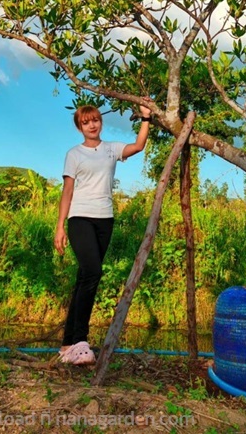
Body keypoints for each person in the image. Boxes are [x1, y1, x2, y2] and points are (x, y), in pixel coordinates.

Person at [54, 101, 151, 365]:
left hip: (104, 219)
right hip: (79, 218)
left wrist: (145, 118)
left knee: (84, 277)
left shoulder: (111, 149)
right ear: (79, 127)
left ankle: (66, 344)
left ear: (101, 122)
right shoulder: (74, 154)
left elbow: (138, 146)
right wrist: (60, 226)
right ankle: (81, 341)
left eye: (95, 120)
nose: (92, 125)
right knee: (94, 271)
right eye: (86, 122)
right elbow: (68, 192)